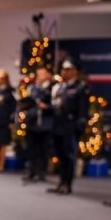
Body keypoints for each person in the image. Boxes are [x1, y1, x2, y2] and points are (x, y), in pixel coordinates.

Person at [47, 60, 88, 195]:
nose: (63, 72)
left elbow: (82, 110)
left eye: (67, 69)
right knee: (60, 154)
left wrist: (80, 127)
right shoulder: (61, 87)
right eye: (63, 69)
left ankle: (67, 184)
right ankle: (61, 181)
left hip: (70, 126)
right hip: (58, 125)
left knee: (68, 155)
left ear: (74, 71)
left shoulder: (80, 87)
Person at [23, 66, 54, 182]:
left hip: (46, 123)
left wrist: (46, 107)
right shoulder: (32, 88)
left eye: (41, 74)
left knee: (44, 149)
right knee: (32, 148)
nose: (39, 76)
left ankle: (42, 171)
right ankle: (31, 171)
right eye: (38, 74)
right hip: (33, 122)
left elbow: (56, 105)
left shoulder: (52, 88)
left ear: (47, 75)